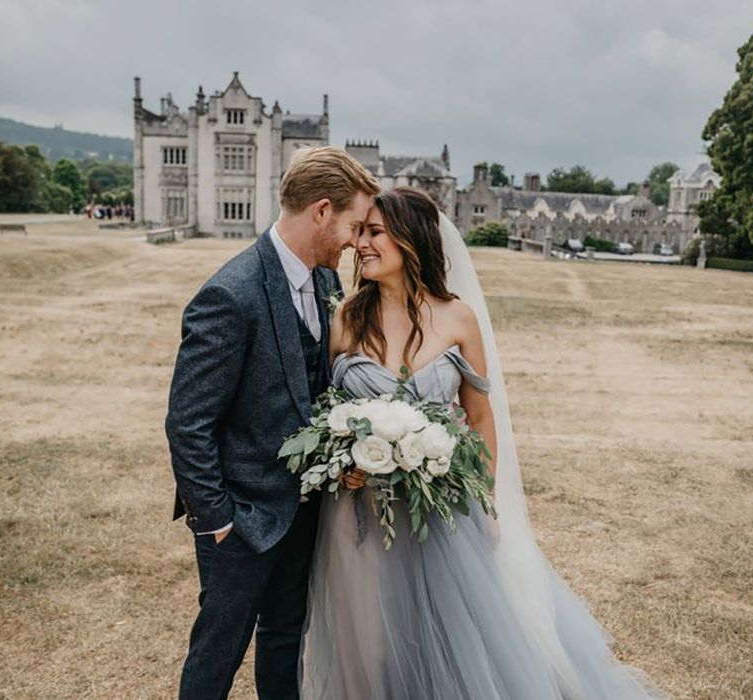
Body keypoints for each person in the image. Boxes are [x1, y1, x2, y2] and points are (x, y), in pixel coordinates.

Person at [300, 187, 667, 699]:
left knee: (443, 637)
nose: (359, 243)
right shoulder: (345, 318)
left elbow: (479, 416)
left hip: (439, 514)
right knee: (368, 640)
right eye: (359, 231)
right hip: (357, 515)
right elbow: (327, 414)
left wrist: (487, 500)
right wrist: (344, 463)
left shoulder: (457, 319)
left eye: (374, 232)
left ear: (411, 240)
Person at [165, 146, 380, 700]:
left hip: (305, 512)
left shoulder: (329, 286)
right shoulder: (229, 295)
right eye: (356, 226)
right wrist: (218, 521)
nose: (358, 242)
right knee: (218, 651)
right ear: (323, 211)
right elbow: (188, 424)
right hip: (240, 519)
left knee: (286, 640)